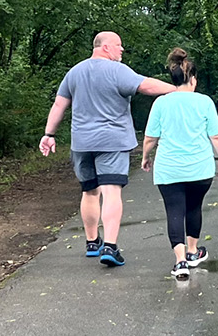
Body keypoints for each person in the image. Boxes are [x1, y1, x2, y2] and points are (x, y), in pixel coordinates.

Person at [40, 32, 175, 267]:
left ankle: (92, 242)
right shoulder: (117, 70)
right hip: (112, 141)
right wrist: (177, 90)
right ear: (104, 48)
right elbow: (146, 85)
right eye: (118, 46)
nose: (122, 50)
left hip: (82, 142)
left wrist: (49, 134)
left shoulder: (75, 72)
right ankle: (110, 247)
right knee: (111, 191)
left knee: (90, 191)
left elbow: (59, 104)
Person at [140, 47, 218, 280]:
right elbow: (216, 137)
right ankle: (192, 252)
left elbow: (150, 138)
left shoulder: (161, 103)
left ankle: (180, 262)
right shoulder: (205, 102)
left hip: (169, 169)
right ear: (192, 79)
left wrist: (145, 157)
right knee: (193, 207)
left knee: (174, 210)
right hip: (199, 169)